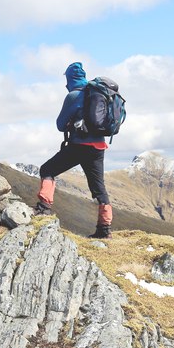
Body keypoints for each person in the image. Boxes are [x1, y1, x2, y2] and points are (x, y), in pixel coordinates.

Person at [34, 62, 113, 239]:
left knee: (47, 170)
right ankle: (104, 229)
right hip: (99, 147)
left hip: (78, 146)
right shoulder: (97, 94)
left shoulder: (74, 96)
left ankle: (44, 208)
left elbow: (60, 125)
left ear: (70, 79)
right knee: (98, 188)